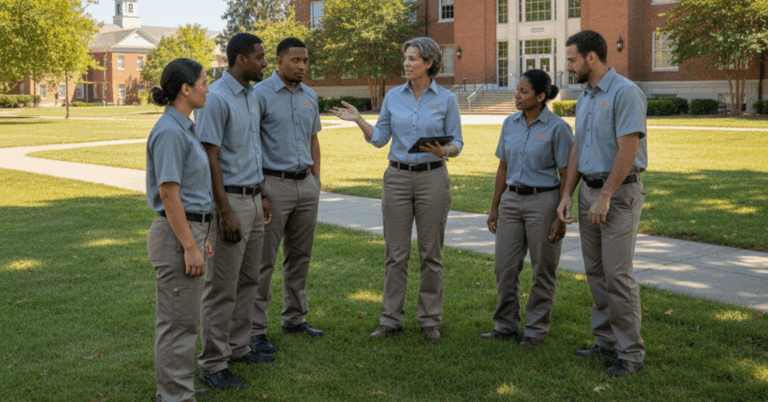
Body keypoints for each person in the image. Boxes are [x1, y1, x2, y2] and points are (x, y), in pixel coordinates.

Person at [331, 37, 463, 344]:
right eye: (405, 58)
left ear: (429, 63)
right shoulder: (393, 97)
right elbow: (379, 139)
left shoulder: (446, 99)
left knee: (431, 254)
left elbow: (458, 142)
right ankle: (390, 319)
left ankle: (430, 320)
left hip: (433, 177)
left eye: (413, 59)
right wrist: (359, 121)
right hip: (397, 178)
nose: (406, 63)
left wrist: (445, 151)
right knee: (396, 254)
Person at [557, 30, 648, 377]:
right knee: (596, 272)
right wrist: (568, 193)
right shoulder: (585, 97)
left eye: (572, 59)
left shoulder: (625, 92)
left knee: (617, 275)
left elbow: (628, 149)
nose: (569, 66)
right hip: (588, 193)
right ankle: (605, 341)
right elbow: (579, 147)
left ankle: (630, 353)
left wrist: (606, 195)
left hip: (619, 194)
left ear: (591, 58)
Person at [196, 33, 274, 391]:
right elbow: (209, 157)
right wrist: (224, 210)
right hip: (231, 203)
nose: (263, 63)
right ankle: (213, 364)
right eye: (259, 57)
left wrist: (264, 194)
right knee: (221, 287)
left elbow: (252, 150)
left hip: (255, 200)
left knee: (249, 280)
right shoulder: (217, 98)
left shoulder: (252, 96)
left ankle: (238, 348)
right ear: (241, 59)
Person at [482, 69, 573, 350]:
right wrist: (495, 205)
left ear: (541, 96)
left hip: (543, 203)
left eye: (523, 91)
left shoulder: (558, 128)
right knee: (504, 267)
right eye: (517, 90)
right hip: (511, 201)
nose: (517, 96)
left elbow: (566, 172)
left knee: (543, 269)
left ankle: (535, 330)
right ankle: (506, 325)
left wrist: (561, 213)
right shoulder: (510, 124)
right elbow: (503, 167)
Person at [145, 58, 214, 401]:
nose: (207, 88)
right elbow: (169, 193)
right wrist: (189, 245)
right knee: (176, 324)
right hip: (175, 239)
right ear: (186, 89)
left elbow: (191, 191)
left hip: (188, 233)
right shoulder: (170, 131)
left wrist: (201, 238)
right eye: (203, 82)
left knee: (185, 321)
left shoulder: (184, 127)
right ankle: (173, 395)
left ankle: (178, 388)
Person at [251, 37, 325, 346]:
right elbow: (251, 145)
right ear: (279, 61)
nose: (302, 66)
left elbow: (314, 141)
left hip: (305, 185)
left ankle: (295, 318)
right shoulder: (259, 95)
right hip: (274, 184)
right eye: (296, 60)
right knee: (263, 261)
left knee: (300, 257)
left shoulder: (310, 95)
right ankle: (255, 329)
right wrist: (262, 190)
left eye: (305, 61)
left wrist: (316, 183)